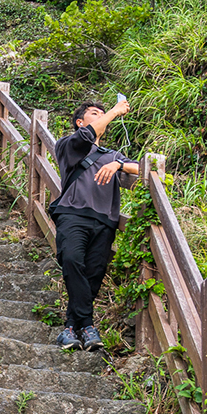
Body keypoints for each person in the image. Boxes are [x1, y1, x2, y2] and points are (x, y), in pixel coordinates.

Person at [50, 98, 139, 351]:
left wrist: (119, 164)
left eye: (102, 113)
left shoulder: (112, 155)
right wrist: (114, 110)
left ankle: (70, 329)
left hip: (105, 220)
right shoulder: (68, 145)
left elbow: (147, 168)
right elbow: (88, 135)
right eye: (93, 113)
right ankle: (87, 325)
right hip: (73, 214)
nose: (100, 115)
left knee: (93, 274)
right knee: (72, 260)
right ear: (80, 122)